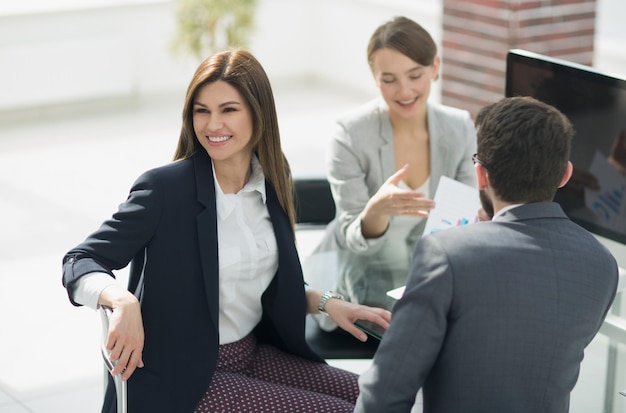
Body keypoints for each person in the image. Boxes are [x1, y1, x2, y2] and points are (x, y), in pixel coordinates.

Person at [61, 49, 391, 413]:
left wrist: (329, 304)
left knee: (381, 398)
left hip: (252, 352)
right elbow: (80, 259)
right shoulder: (165, 190)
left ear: (258, 112)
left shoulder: (271, 178)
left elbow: (261, 278)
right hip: (181, 376)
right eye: (202, 111)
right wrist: (121, 299)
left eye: (228, 110)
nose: (213, 125)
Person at [354, 96, 619, 413]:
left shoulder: (447, 253)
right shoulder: (603, 265)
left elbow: (386, 392)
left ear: (481, 174)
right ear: (565, 175)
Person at [307, 16, 476, 317]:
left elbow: (465, 217)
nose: (404, 91)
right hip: (358, 281)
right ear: (375, 78)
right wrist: (376, 211)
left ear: (435, 68)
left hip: (430, 277)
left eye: (415, 75)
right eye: (389, 79)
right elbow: (350, 236)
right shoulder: (349, 134)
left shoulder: (460, 127)